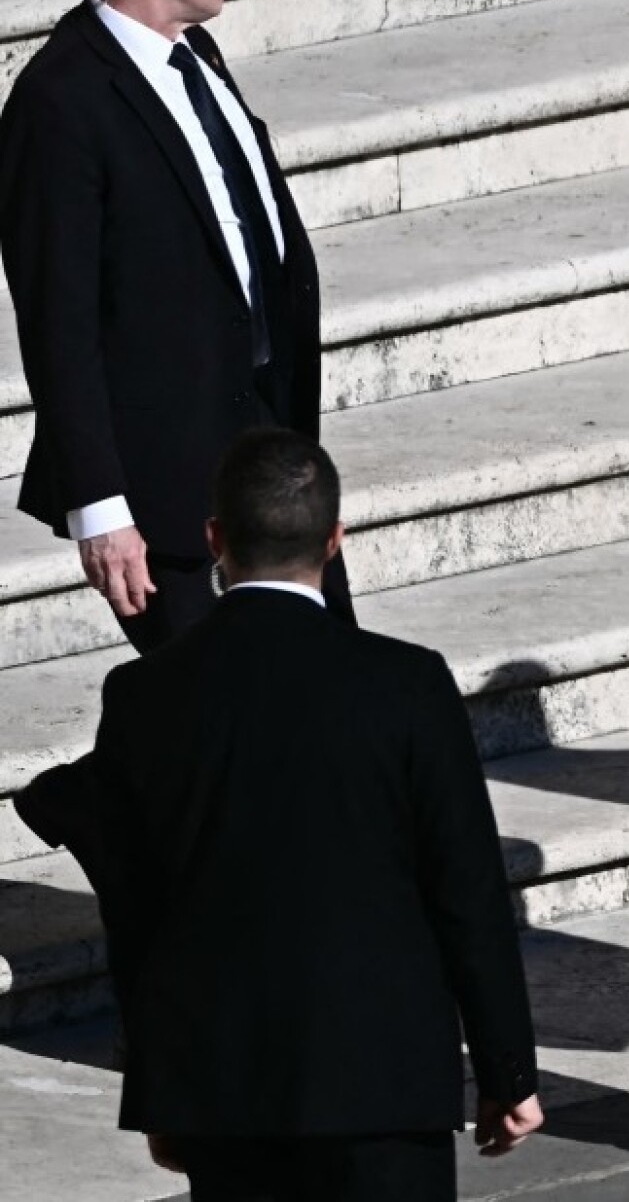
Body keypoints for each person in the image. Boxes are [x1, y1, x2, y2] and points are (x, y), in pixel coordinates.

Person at [11, 429, 540, 1201]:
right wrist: (507, 1072)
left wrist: (165, 1089)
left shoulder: (146, 694)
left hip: (226, 1093)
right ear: (335, 541)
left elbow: (136, 907)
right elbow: (467, 892)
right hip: (383, 1084)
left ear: (214, 539)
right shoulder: (406, 684)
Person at [0, 0, 339, 654]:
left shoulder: (196, 55)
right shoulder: (60, 103)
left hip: (268, 466)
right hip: (165, 497)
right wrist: (102, 510)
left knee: (319, 691)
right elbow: (58, 323)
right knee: (222, 725)